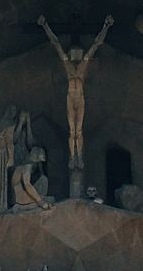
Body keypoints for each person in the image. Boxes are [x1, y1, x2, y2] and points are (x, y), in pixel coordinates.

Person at [38, 15, 114, 170]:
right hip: (70, 98)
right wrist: (45, 25)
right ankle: (72, 158)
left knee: (78, 131)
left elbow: (96, 45)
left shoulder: (83, 67)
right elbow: (56, 43)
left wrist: (106, 26)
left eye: (78, 53)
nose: (76, 55)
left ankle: (79, 157)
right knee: (72, 131)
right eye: (74, 53)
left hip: (80, 99)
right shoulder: (67, 66)